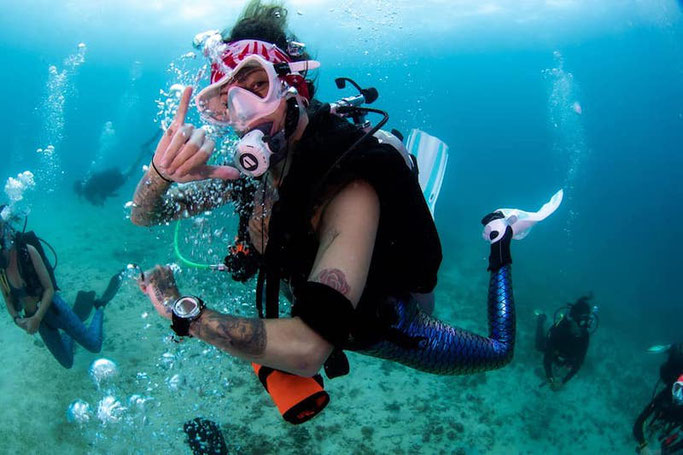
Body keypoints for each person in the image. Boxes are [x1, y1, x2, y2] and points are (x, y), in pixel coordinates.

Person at [131, 0, 559, 422]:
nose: (241, 117)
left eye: (256, 85)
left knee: (499, 353)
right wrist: (159, 174)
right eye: (224, 102)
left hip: (382, 320)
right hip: (311, 297)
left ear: (291, 84)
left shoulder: (349, 184)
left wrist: (180, 311)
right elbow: (145, 216)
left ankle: (502, 234)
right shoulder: (251, 168)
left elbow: (306, 349)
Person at [0, 206, 123, 369]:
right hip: (36, 319)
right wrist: (17, 320)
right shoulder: (1, 265)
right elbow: (8, 298)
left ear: (7, 229)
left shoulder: (28, 252)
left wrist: (36, 318)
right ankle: (72, 330)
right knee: (67, 362)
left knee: (94, 345)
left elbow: (49, 289)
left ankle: (99, 307)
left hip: (53, 308)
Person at [74, 130, 161, 206]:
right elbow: (99, 192)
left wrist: (108, 195)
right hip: (113, 178)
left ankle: (143, 151)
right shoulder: (88, 185)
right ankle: (143, 152)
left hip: (114, 180)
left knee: (131, 170)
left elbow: (99, 193)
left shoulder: (87, 190)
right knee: (131, 170)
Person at [535, 295, 595, 391]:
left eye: (585, 322)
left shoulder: (584, 335)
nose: (582, 326)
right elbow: (547, 359)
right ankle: (540, 320)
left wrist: (563, 381)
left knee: (566, 363)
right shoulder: (559, 329)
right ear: (572, 318)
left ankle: (562, 362)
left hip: (567, 355)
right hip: (556, 349)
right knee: (538, 346)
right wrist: (550, 378)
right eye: (580, 321)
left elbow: (579, 363)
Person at [634, 343, 683, 455]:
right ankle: (671, 348)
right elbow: (639, 422)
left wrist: (662, 452)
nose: (679, 397)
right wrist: (643, 446)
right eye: (678, 389)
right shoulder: (665, 396)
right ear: (673, 385)